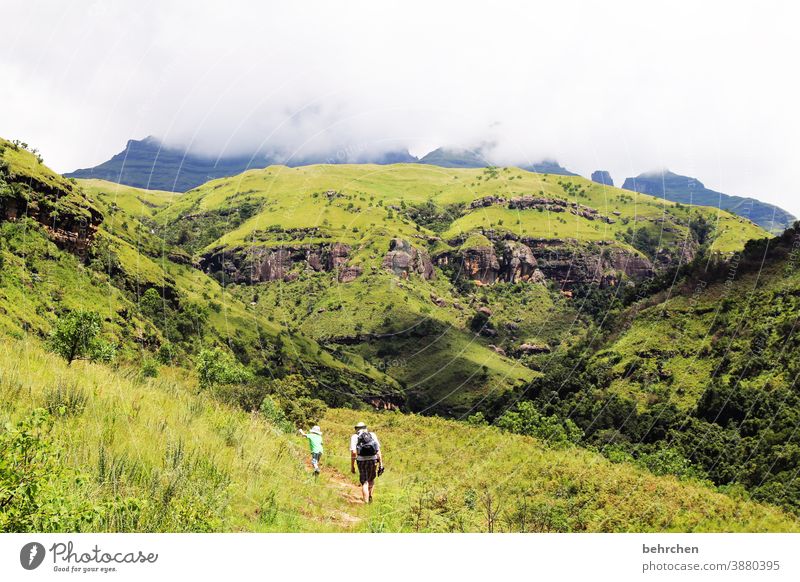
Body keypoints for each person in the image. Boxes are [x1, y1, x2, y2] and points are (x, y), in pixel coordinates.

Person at [350, 421, 383, 503]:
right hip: (373, 459)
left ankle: (366, 502)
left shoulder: (354, 437)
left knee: (364, 481)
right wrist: (381, 464)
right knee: (371, 479)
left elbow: (353, 452)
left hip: (361, 461)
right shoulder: (372, 435)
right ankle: (370, 497)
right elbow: (378, 451)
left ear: (357, 429)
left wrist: (352, 465)